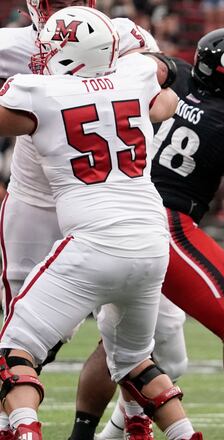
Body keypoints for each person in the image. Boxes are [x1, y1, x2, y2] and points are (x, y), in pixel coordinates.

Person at [69, 28, 224, 440]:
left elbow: (162, 73)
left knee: (117, 343)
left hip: (114, 217)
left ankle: (82, 434)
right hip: (166, 223)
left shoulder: (178, 85)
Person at [0, 7, 200, 440]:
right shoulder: (135, 75)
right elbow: (166, 94)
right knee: (133, 360)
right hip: (150, 243)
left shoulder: (37, 90)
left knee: (12, 354)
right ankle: (185, 434)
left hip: (92, 241)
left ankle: (24, 430)